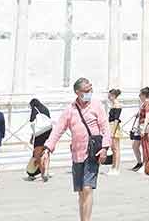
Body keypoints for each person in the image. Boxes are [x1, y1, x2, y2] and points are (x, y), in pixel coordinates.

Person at [42, 77, 110, 221]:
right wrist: (48, 148)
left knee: (87, 188)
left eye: (91, 89)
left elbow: (105, 128)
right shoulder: (70, 109)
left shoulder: (96, 106)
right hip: (77, 154)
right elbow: (58, 129)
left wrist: (105, 148)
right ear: (77, 92)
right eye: (86, 90)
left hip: (93, 153)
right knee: (80, 192)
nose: (89, 92)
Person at [25, 98, 52, 182]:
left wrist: (32, 137)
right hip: (48, 132)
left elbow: (33, 122)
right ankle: (46, 170)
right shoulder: (45, 109)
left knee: (37, 154)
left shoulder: (35, 109)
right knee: (46, 153)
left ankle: (42, 172)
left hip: (40, 135)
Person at [129, 88, 149, 171]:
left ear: (144, 95)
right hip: (140, 127)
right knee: (135, 146)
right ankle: (140, 163)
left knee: (145, 146)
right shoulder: (144, 103)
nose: (139, 96)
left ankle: (146, 164)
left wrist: (144, 129)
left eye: (140, 95)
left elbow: (147, 116)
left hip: (144, 127)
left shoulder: (147, 102)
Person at [106, 89, 123, 176]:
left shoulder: (117, 105)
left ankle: (116, 168)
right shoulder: (113, 105)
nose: (108, 97)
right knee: (113, 148)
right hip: (111, 125)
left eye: (109, 95)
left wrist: (113, 131)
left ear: (113, 95)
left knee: (116, 149)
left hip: (114, 126)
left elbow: (116, 119)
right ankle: (113, 167)